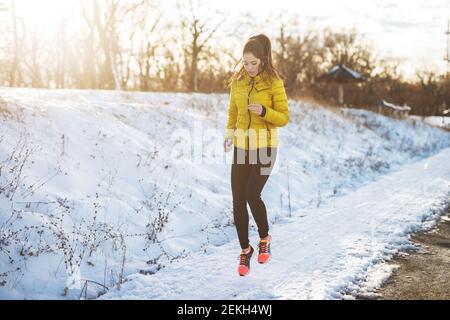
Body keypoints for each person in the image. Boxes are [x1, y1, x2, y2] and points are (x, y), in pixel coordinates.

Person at [224, 34, 290, 276]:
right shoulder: (238, 82)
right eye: (245, 62)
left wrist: (264, 110)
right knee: (237, 200)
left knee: (252, 193)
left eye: (253, 63)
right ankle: (245, 250)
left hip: (265, 146)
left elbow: (284, 117)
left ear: (262, 60)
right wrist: (229, 134)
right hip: (242, 148)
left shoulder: (274, 83)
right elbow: (233, 112)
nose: (249, 68)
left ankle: (265, 237)